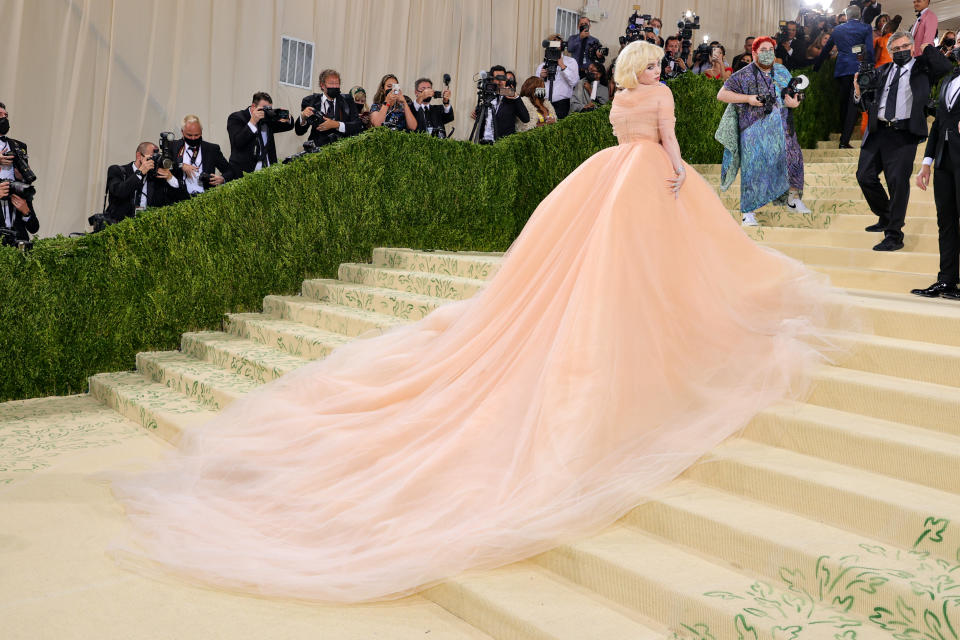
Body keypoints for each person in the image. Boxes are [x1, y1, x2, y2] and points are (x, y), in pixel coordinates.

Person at [110, 40, 840, 604]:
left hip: (606, 182)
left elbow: (627, 141)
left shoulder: (619, 103)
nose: (654, 67)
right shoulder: (657, 100)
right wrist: (683, 174)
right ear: (646, 66)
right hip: (645, 184)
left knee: (599, 267)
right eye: (652, 61)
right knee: (656, 268)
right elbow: (671, 150)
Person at [854, 32, 950, 251]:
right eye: (896, 49)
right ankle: (887, 216)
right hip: (877, 131)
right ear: (890, 52)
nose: (901, 51)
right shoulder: (882, 71)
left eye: (905, 46)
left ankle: (894, 235)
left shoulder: (923, 69)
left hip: (903, 133)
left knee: (897, 182)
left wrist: (927, 49)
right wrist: (858, 92)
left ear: (912, 46)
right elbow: (864, 104)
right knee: (864, 176)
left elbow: (944, 68)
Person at [716, 36, 810, 226]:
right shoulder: (743, 74)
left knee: (793, 159)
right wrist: (748, 98)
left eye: (771, 50)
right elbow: (722, 95)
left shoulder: (782, 70)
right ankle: (748, 212)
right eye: (763, 50)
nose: (768, 53)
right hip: (753, 129)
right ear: (754, 53)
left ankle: (793, 200)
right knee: (753, 168)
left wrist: (795, 102)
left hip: (783, 127)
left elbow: (793, 94)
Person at [914, 60, 960, 298]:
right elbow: (939, 124)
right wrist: (927, 162)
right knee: (946, 222)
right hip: (944, 162)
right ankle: (947, 280)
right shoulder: (947, 80)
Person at [814, 4, 875, 148]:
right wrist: (871, 66)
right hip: (858, 70)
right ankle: (844, 141)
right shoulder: (865, 28)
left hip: (841, 69)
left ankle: (843, 133)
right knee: (853, 104)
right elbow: (870, 50)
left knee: (843, 104)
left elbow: (826, 50)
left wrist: (816, 67)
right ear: (859, 15)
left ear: (847, 16)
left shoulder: (838, 29)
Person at [103, 142, 182, 223]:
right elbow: (120, 191)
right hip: (119, 226)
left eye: (156, 158)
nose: (154, 162)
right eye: (152, 157)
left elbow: (178, 199)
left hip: (145, 227)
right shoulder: (117, 170)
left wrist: (170, 178)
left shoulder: (155, 177)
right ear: (139, 156)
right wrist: (140, 173)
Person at [226, 92, 294, 176]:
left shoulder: (268, 119)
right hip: (245, 173)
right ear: (253, 107)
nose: (266, 112)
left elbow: (288, 126)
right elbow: (238, 142)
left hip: (269, 172)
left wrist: (287, 117)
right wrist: (253, 122)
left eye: (269, 109)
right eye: (264, 109)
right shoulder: (236, 117)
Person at [0, 103, 38, 244]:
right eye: (0, 115)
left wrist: (26, 211)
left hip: (19, 245)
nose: (4, 118)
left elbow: (34, 228)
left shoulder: (19, 190)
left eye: (6, 115)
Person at [295, 69, 363, 148]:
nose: (334, 86)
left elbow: (357, 126)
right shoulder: (310, 101)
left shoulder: (348, 100)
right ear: (322, 85)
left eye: (337, 83)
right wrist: (302, 117)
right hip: (317, 150)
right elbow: (299, 132)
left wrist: (336, 125)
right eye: (331, 83)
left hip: (342, 149)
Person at [173, 115, 234, 198]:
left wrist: (222, 179)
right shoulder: (173, 146)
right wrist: (181, 165)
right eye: (189, 135)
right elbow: (163, 164)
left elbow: (230, 171)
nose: (193, 138)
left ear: (201, 131)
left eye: (197, 135)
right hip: (179, 198)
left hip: (206, 198)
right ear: (182, 132)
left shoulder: (212, 149)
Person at [470, 65, 529, 143]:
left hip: (503, 146)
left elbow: (526, 119)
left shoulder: (512, 97)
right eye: (497, 78)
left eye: (503, 78)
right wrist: (477, 113)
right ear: (491, 80)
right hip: (484, 143)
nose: (500, 81)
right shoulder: (487, 97)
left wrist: (516, 97)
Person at [536, 34, 579, 118]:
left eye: (557, 42)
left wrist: (562, 66)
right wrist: (540, 78)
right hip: (544, 104)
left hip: (562, 105)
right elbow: (536, 89)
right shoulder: (542, 66)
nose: (555, 45)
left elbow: (574, 82)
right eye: (553, 42)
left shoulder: (570, 62)